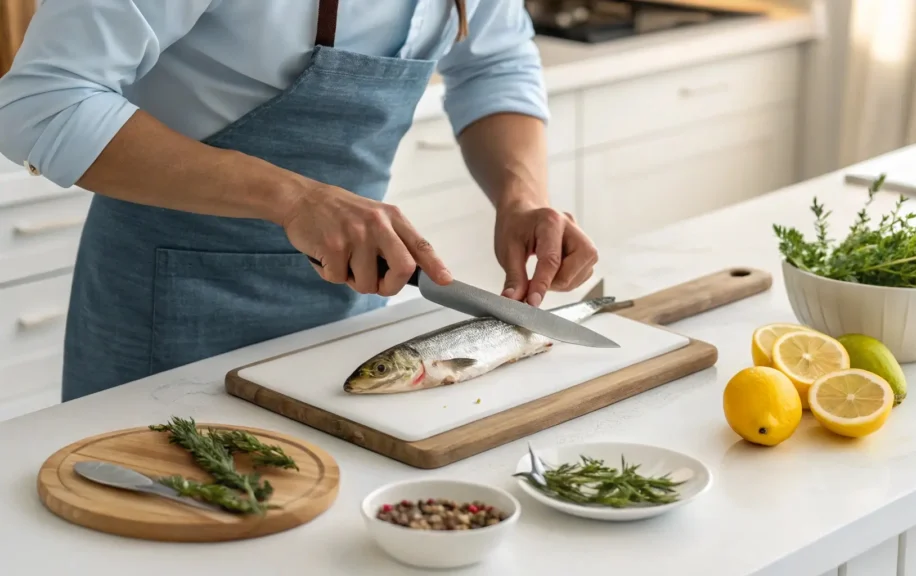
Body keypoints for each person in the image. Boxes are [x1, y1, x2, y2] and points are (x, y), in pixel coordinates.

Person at [0, 0, 599, 402]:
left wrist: (521, 197)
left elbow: (495, 62)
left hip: (352, 300)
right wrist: (294, 198)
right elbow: (42, 103)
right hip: (166, 309)